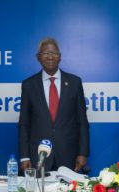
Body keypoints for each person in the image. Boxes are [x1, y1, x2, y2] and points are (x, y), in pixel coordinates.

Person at [19, 38, 89, 172]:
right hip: (39, 155)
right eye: (45, 53)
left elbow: (82, 121)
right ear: (38, 57)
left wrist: (83, 153)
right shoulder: (28, 85)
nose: (50, 57)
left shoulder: (74, 82)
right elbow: (24, 124)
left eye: (54, 53)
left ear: (60, 57)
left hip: (69, 155)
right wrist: (24, 156)